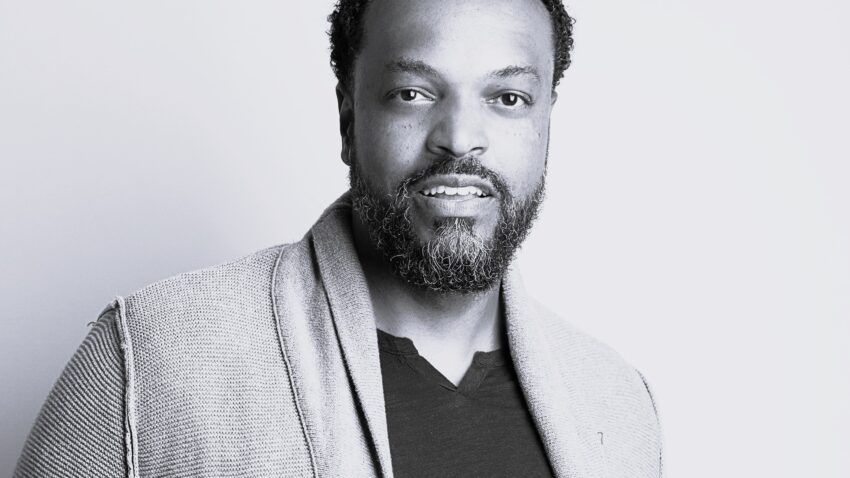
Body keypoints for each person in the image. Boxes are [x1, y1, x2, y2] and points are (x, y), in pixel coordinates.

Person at [15, 0, 663, 476]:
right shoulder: (153, 358)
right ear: (348, 116)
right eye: (412, 92)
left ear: (549, 118)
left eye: (508, 97)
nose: (460, 136)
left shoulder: (616, 404)